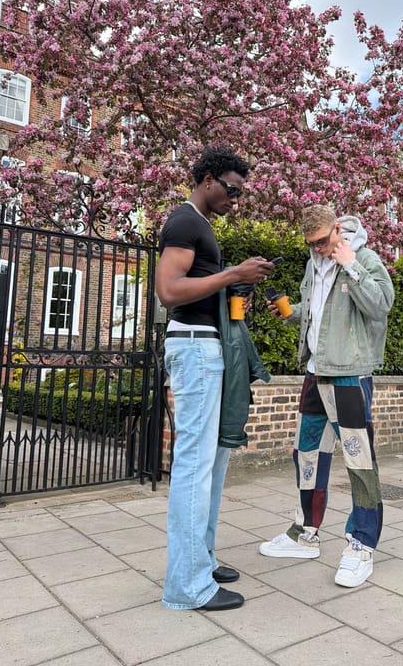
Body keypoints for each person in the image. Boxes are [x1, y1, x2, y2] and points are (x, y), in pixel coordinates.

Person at [156, 144, 274, 611]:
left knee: (214, 461)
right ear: (207, 179)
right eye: (232, 189)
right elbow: (169, 291)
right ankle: (187, 586)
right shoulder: (184, 221)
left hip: (208, 347)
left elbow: (196, 289)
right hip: (194, 349)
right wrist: (231, 275)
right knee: (194, 464)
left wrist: (236, 284)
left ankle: (199, 560)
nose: (236, 199)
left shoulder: (200, 226)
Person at [259, 204, 394, 587]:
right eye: (310, 244)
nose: (317, 249)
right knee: (306, 453)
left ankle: (361, 544)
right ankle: (305, 532)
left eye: (322, 241)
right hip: (315, 372)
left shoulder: (364, 257)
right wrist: (290, 313)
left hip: (349, 374)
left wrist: (351, 263)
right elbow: (319, 312)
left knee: (359, 461)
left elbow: (381, 306)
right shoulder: (312, 264)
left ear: (338, 229)